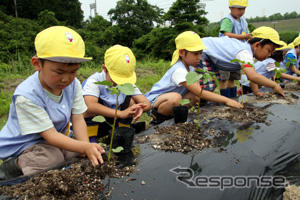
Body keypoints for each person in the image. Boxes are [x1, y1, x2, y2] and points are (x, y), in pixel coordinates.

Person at [0, 26, 105, 181]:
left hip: (50, 141)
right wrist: (84, 147)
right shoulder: (27, 95)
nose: (66, 79)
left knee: (75, 151)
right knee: (52, 159)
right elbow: (49, 135)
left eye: (73, 71)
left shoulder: (74, 84)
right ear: (37, 64)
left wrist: (84, 146)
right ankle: (12, 167)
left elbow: (78, 118)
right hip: (23, 146)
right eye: (59, 72)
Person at [145, 31, 243, 125]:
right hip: (155, 102)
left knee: (194, 95)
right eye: (195, 54)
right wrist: (227, 100)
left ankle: (175, 116)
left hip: (172, 100)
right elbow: (200, 92)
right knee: (176, 98)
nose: (199, 57)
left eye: (200, 53)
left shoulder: (190, 67)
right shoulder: (179, 70)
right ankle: (159, 120)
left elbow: (197, 93)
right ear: (182, 52)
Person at [82, 45, 151, 140]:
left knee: (131, 103)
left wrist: (140, 108)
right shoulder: (95, 81)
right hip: (97, 121)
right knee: (87, 110)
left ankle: (122, 134)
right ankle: (90, 138)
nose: (119, 83)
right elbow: (90, 105)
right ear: (104, 69)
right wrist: (120, 113)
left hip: (115, 122)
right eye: (116, 78)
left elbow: (146, 103)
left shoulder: (127, 84)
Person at [195, 26, 285, 98]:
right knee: (207, 85)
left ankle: (201, 102)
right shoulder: (244, 53)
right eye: (269, 50)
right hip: (201, 52)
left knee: (214, 81)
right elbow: (253, 76)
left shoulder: (248, 53)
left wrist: (256, 92)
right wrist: (274, 85)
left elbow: (252, 76)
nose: (269, 55)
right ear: (257, 45)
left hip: (210, 57)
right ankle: (197, 105)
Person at [218, 0, 252, 98]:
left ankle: (233, 98)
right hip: (225, 54)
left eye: (244, 9)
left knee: (233, 78)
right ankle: (225, 99)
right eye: (239, 9)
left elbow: (247, 34)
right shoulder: (228, 20)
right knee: (224, 79)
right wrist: (243, 37)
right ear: (231, 8)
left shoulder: (243, 21)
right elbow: (226, 34)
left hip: (236, 54)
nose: (242, 11)